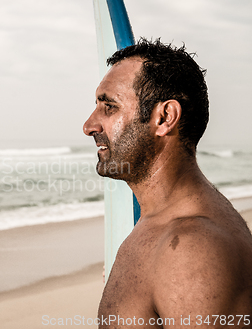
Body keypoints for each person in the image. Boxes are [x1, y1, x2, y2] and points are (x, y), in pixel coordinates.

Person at [83, 38, 252, 328]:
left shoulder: (192, 249)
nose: (89, 126)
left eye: (109, 107)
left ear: (164, 117)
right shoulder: (162, 226)